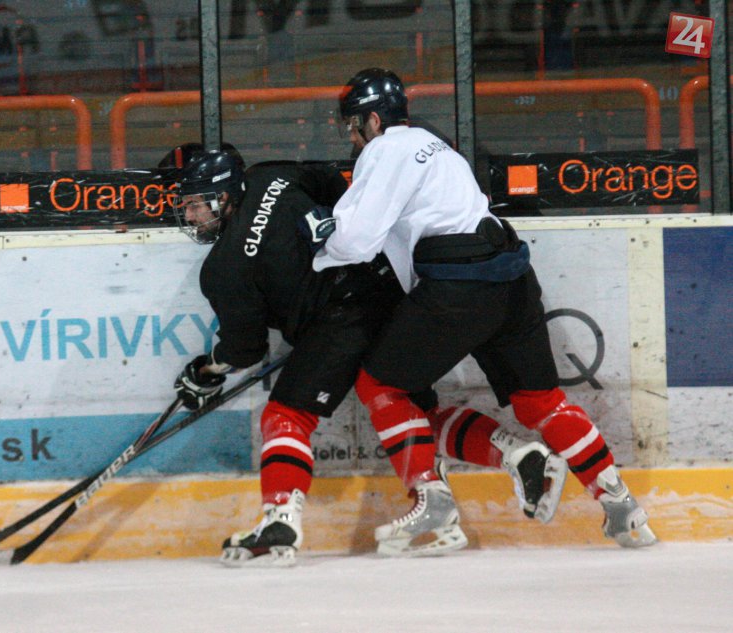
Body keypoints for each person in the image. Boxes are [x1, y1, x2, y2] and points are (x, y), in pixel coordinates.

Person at [168, 145, 568, 566]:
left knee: (286, 416)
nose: (191, 216)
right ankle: (515, 454)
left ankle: (279, 521)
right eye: (188, 207)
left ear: (225, 195)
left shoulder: (223, 268)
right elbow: (334, 184)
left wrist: (208, 370)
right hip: (389, 293)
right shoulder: (274, 176)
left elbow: (245, 348)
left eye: (196, 205)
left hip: (338, 325)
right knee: (410, 411)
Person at [312, 67, 656, 548]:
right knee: (539, 401)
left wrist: (317, 250)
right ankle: (621, 505)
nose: (351, 137)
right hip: (513, 279)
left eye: (352, 125)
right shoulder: (436, 144)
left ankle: (431, 500)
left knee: (380, 385)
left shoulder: (383, 150)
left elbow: (356, 240)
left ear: (372, 120)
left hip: (459, 288)